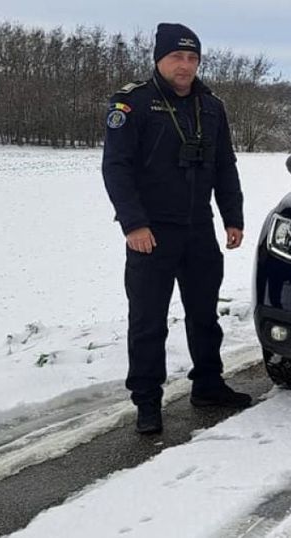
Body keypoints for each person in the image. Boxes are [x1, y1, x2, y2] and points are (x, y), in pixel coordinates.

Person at [102, 23, 251, 434]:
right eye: (176, 57)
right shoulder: (132, 104)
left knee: (204, 313)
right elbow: (116, 168)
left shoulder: (210, 106)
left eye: (192, 58)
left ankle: (208, 384)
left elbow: (225, 164)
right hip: (151, 232)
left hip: (199, 228)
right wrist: (133, 224)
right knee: (148, 320)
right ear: (159, 59)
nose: (184, 65)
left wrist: (232, 216)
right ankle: (148, 402)